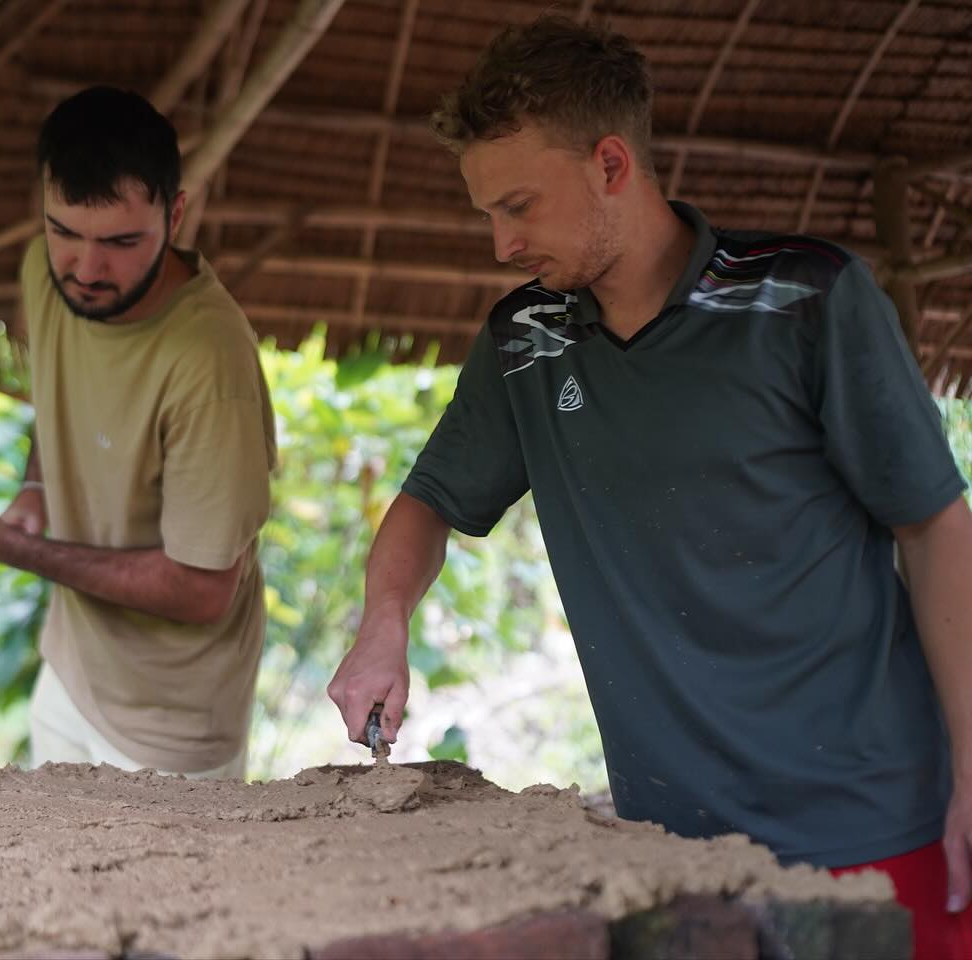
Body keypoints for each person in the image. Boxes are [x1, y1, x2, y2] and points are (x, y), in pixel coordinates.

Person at [325, 17, 971, 957]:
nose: (501, 244)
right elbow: (427, 503)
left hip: (873, 828)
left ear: (612, 165)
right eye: (487, 215)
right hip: (666, 852)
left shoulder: (808, 297)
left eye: (519, 206)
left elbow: (934, 525)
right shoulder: (525, 341)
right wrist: (384, 623)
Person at [0, 86, 277, 780]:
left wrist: (13, 548)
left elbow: (204, 590)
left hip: (170, 726)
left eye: (120, 242)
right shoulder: (41, 272)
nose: (86, 270)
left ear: (175, 214)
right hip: (70, 677)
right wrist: (36, 484)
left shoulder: (209, 362)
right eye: (65, 233)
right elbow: (57, 395)